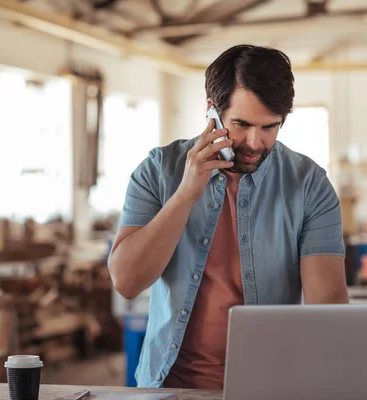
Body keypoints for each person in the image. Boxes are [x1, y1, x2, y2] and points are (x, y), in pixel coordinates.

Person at [107, 44, 349, 390]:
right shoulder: (158, 171)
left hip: (269, 387)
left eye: (270, 126)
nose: (255, 142)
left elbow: (328, 313)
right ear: (212, 111)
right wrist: (186, 194)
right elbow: (127, 282)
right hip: (168, 387)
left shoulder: (309, 186)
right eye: (242, 124)